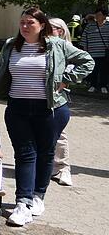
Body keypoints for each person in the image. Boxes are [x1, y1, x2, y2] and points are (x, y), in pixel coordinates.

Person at [0, 7, 93, 227]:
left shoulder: (56, 45)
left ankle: (38, 196)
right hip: (18, 108)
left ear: (42, 25)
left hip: (51, 109)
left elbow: (87, 61)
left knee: (46, 153)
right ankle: (22, 203)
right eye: (22, 22)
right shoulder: (12, 45)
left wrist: (66, 78)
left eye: (30, 22)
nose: (25, 26)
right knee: (24, 154)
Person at [48, 18, 74, 187]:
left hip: (58, 98)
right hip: (39, 96)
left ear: (61, 31)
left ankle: (63, 168)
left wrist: (65, 80)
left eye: (50, 29)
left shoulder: (67, 49)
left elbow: (81, 65)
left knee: (59, 134)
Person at [80, 7, 108, 94]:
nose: (97, 16)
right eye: (96, 14)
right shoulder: (90, 26)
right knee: (93, 70)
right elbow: (84, 38)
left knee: (104, 70)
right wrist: (85, 50)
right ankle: (93, 85)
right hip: (92, 52)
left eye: (99, 15)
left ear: (104, 16)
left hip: (105, 53)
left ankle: (103, 86)